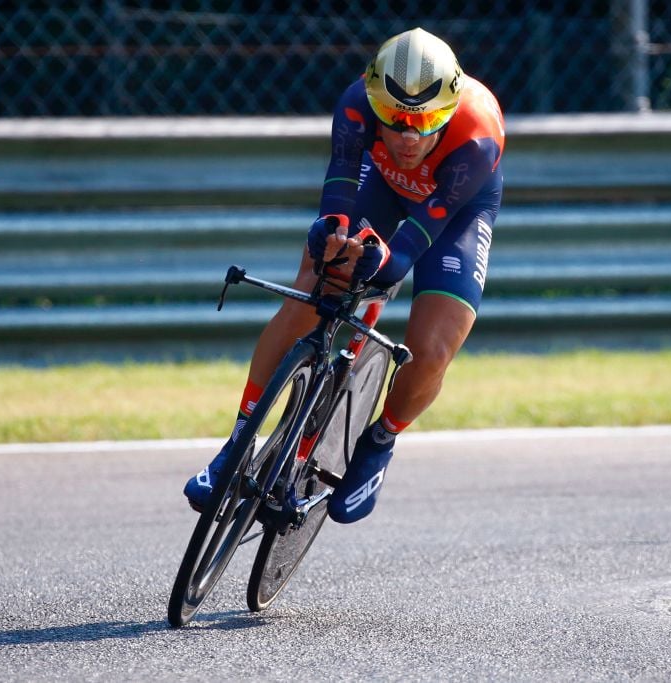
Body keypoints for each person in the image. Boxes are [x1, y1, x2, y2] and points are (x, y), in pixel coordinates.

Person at [184, 27, 505, 523]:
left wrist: (383, 261)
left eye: (426, 121)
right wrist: (328, 234)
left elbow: (407, 250)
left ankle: (379, 441)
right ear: (375, 100)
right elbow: (338, 183)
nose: (408, 137)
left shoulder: (478, 138)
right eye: (395, 121)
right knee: (311, 286)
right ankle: (237, 442)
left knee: (432, 351)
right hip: (379, 186)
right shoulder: (356, 104)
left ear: (450, 109)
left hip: (453, 213)